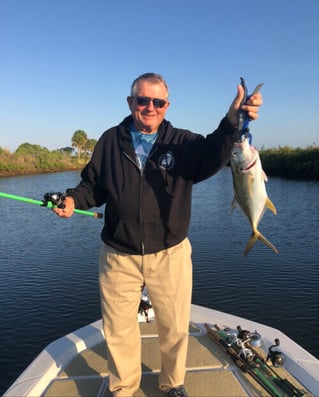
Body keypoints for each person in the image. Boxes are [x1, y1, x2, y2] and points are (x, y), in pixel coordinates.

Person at [54, 73, 262, 397]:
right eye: (142, 100)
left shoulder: (182, 143)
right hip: (118, 255)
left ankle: (172, 384)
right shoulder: (110, 140)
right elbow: (92, 186)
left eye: (158, 101)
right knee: (119, 330)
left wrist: (233, 120)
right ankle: (122, 388)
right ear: (130, 102)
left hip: (170, 253)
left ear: (166, 106)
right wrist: (72, 199)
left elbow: (214, 151)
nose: (149, 107)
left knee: (174, 328)